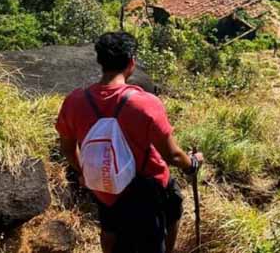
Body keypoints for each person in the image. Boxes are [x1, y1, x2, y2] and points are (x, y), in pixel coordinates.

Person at [57, 32, 203, 253]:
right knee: (172, 204)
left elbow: (68, 149)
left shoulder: (74, 101)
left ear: (100, 61)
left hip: (103, 186)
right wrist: (192, 163)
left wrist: (89, 172)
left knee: (109, 226)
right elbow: (172, 155)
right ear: (132, 61)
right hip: (145, 188)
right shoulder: (145, 103)